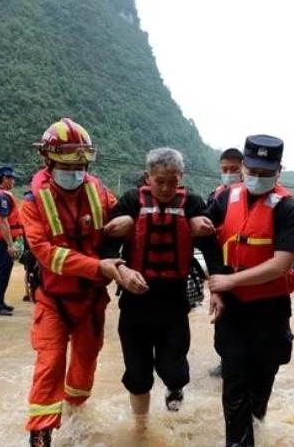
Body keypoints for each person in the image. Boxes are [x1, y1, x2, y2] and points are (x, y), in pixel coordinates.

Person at [20, 118, 125, 447]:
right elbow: (48, 255)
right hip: (54, 298)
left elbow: (121, 215)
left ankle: (77, 416)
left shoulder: (98, 192)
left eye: (82, 165)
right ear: (47, 162)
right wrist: (100, 267)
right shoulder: (33, 202)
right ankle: (41, 434)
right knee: (49, 363)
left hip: (92, 301)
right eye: (69, 165)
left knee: (83, 370)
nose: (76, 172)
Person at [103, 147, 223, 422]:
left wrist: (217, 288)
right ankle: (141, 428)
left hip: (174, 303)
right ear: (148, 177)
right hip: (135, 301)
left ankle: (174, 391)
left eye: (174, 181)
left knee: (174, 369)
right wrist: (122, 271)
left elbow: (212, 250)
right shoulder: (131, 201)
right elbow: (106, 247)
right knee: (137, 374)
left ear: (182, 177)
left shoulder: (192, 203)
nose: (168, 188)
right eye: (160, 181)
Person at [204, 134, 294, 447]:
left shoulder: (288, 209)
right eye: (253, 171)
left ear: (278, 171)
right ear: (243, 167)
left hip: (270, 307)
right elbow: (207, 239)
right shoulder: (224, 198)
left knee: (263, 375)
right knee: (234, 378)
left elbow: (281, 264)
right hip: (232, 308)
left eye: (265, 173)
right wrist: (217, 288)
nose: (257, 178)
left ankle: (257, 422)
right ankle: (238, 443)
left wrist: (229, 282)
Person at [208, 148, 243, 377]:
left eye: (234, 169)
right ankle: (225, 362)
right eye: (225, 170)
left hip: (247, 269)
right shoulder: (216, 196)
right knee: (223, 319)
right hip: (223, 268)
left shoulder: (252, 198)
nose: (229, 174)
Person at [0, 165, 23, 315]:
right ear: (4, 179)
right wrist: (10, 245)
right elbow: (3, 221)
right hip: (1, 242)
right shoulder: (1, 197)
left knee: (1, 272)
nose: (13, 181)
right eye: (11, 178)